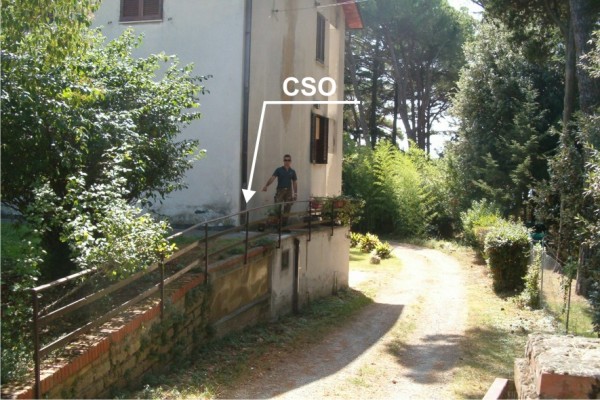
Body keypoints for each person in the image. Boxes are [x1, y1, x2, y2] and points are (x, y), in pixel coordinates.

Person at [262, 154, 298, 225]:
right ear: (283, 161)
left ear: (290, 161)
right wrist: (266, 185)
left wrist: (295, 193)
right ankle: (277, 225)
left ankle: (284, 225)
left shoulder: (292, 171)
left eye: (288, 160)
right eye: (285, 160)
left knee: (287, 208)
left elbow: (294, 182)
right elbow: (272, 178)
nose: (287, 161)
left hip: (289, 191)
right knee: (277, 207)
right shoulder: (279, 170)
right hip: (280, 191)